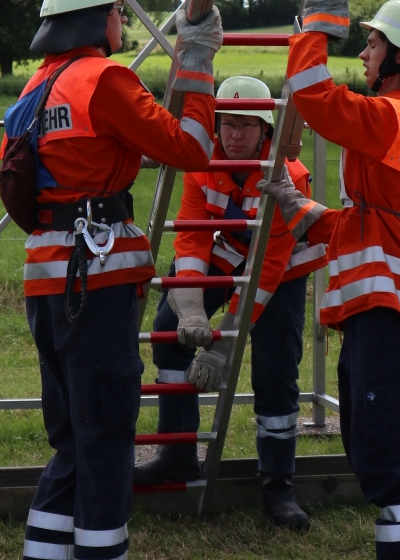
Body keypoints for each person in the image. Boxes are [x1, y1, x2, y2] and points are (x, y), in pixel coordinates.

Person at [3, 0, 222, 560]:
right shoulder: (105, 79)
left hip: (48, 277)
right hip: (95, 286)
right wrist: (198, 62)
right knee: (104, 440)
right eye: (119, 10)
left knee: (73, 439)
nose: (123, 20)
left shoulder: (37, 88)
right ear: (99, 17)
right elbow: (191, 147)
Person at [264, 0, 400, 560]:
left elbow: (313, 95)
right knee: (379, 444)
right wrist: (300, 210)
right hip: (384, 305)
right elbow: (364, 225)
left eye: (372, 43)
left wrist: (319, 19)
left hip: (383, 307)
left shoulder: (392, 117)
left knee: (387, 451)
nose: (363, 53)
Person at [140, 76, 326, 531]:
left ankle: (277, 484)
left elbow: (266, 270)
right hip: (227, 250)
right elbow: (191, 236)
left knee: (275, 368)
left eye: (246, 125)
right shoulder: (200, 162)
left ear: (266, 132)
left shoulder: (288, 175)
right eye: (227, 124)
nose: (235, 134)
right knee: (168, 333)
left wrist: (223, 343)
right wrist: (189, 305)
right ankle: (177, 452)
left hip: (281, 271)